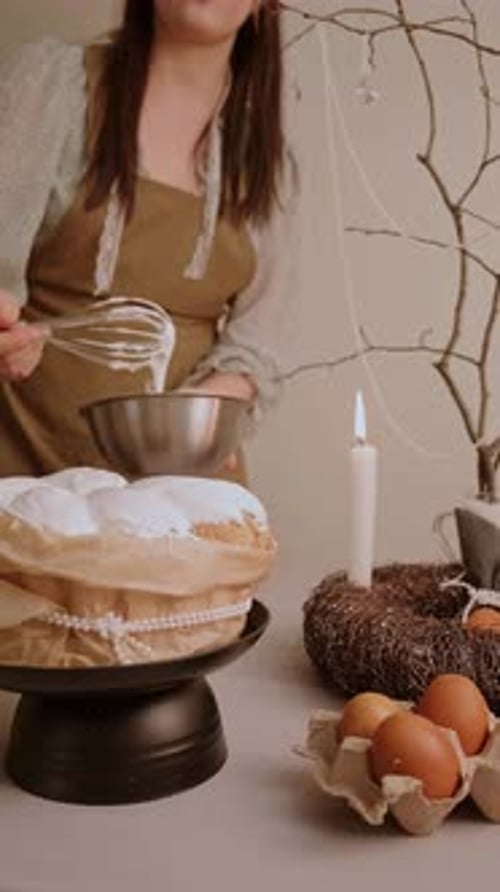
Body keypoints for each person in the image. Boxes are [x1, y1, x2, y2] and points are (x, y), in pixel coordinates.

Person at [0, 0, 297, 483]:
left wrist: (198, 422)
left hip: (184, 493)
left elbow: (260, 345)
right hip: (26, 480)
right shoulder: (54, 86)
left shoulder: (267, 163)